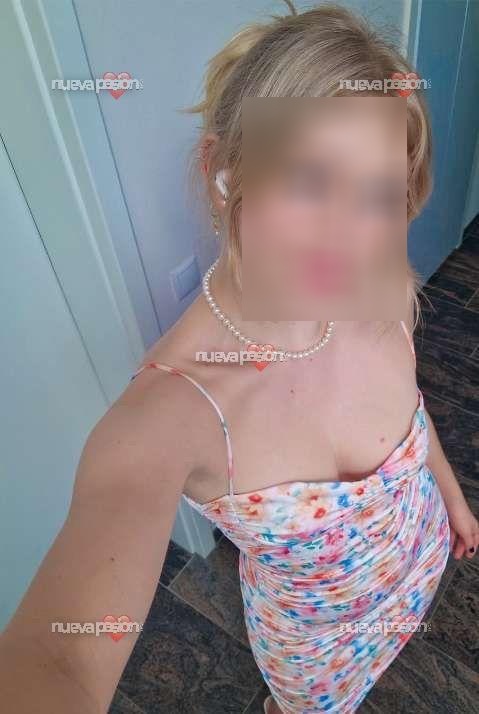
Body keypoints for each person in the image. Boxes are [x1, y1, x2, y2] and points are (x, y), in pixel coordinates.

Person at [0, 4, 477, 714]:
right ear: (224, 171)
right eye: (310, 179)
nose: (346, 234)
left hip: (422, 564)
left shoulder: (381, 290)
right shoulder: (169, 417)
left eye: (376, 194)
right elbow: (58, 657)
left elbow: (411, 408)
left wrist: (450, 495)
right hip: (314, 652)